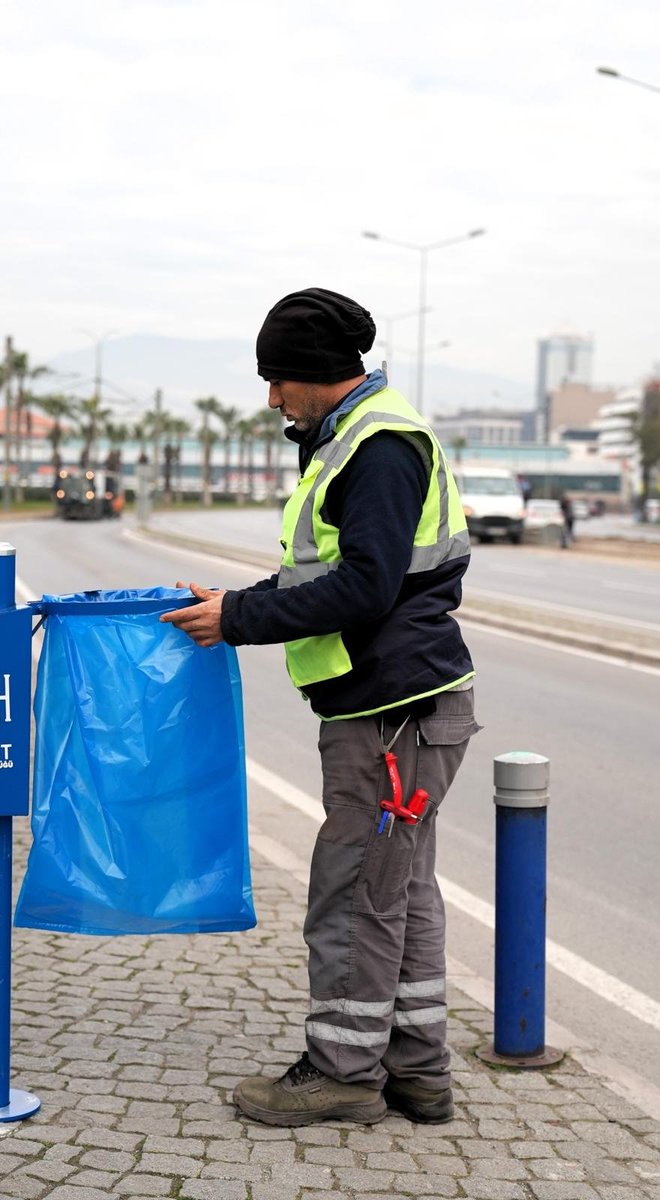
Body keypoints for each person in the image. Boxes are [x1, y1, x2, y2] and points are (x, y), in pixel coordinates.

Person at [160, 287, 479, 1127]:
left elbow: (365, 587)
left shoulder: (376, 449)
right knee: (400, 891)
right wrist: (235, 604)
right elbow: (324, 574)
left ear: (315, 375)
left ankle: (342, 1072)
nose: (271, 399)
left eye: (278, 381)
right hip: (402, 708)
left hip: (392, 713)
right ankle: (418, 1072)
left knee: (354, 892)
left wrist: (240, 619)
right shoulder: (356, 439)